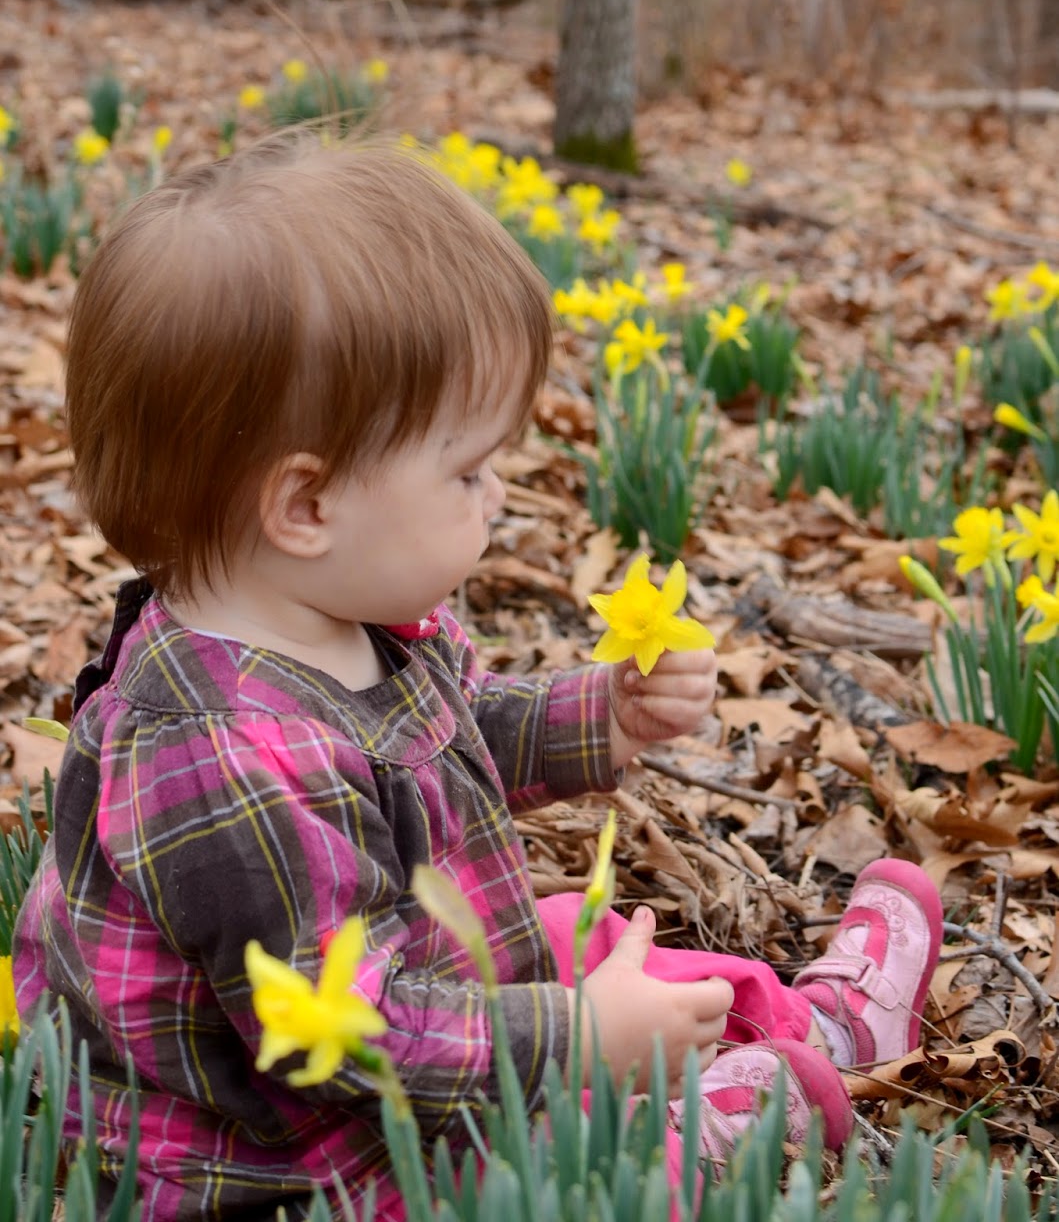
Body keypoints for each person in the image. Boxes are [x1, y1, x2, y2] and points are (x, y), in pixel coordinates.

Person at [14, 137, 942, 1220]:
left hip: (411, 1019)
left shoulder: (337, 618)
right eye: (468, 469)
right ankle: (704, 1117)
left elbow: (444, 738)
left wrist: (601, 713)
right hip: (302, 1160)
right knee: (568, 1085)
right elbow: (346, 1044)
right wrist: (577, 1039)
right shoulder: (218, 758)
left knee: (578, 938)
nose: (499, 493)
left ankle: (813, 1022)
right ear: (306, 507)